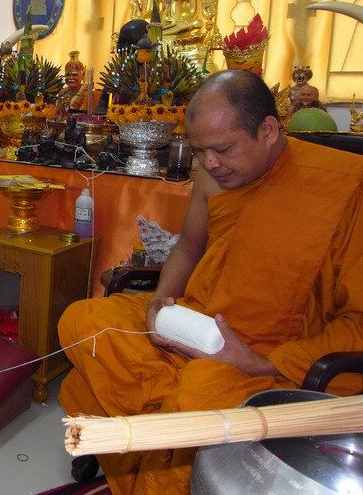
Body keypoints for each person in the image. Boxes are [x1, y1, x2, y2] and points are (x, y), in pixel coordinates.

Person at [58, 69, 363, 494]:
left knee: (197, 398)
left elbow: (358, 322)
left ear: (269, 130)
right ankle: (161, 413)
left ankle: (159, 430)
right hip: (195, 323)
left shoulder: (347, 189)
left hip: (270, 355)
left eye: (221, 149)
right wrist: (159, 304)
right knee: (83, 321)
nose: (209, 164)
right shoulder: (213, 175)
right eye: (199, 152)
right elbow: (188, 247)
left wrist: (260, 362)